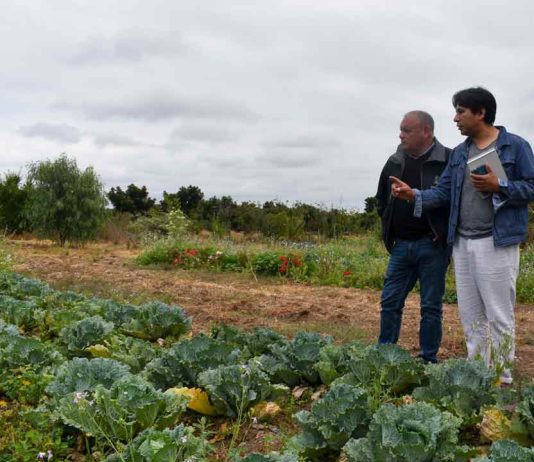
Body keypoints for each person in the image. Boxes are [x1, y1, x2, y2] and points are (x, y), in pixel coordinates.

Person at [391, 87, 534, 384]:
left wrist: (501, 186)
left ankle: (502, 377)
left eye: (460, 111)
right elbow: (443, 191)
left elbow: (531, 187)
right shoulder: (459, 153)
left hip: (496, 242)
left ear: (480, 113)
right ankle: (478, 372)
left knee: (498, 312)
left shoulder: (515, 147)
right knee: (471, 314)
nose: (455, 118)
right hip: (463, 242)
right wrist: (412, 195)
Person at [375, 110, 451, 363]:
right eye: (401, 129)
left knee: (430, 307)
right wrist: (390, 226)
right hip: (401, 246)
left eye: (407, 130)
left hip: (433, 246)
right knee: (390, 302)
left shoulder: (448, 160)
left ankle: (428, 360)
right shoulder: (394, 161)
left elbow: (452, 198)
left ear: (426, 131)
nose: (401, 134)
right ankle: (385, 356)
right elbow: (380, 199)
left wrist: (440, 234)